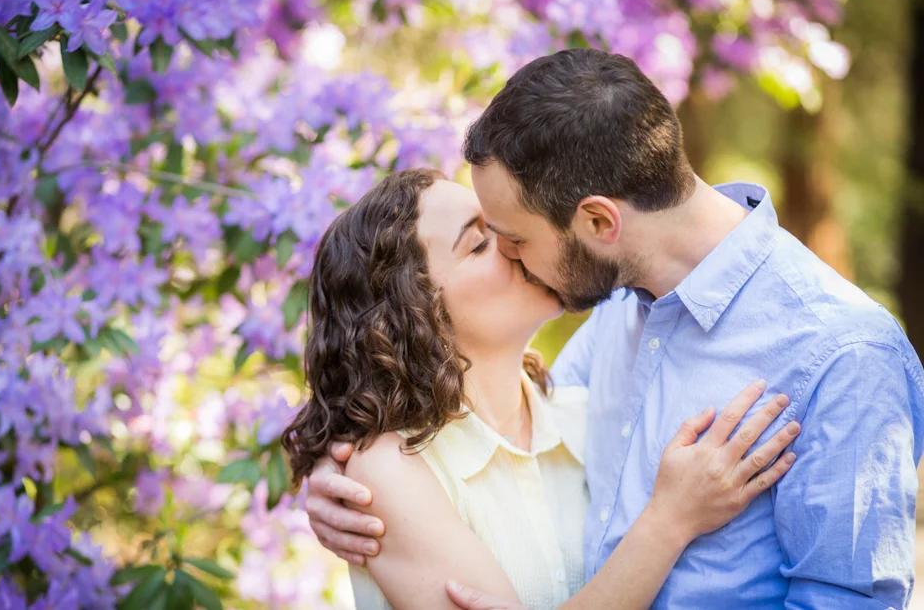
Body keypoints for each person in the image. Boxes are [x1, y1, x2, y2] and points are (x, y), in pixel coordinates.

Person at [304, 49, 924, 609]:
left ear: (599, 223)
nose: (512, 256)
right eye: (485, 242)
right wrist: (352, 480)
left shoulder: (845, 355)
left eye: (514, 238)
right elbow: (491, 426)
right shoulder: (618, 315)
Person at [282, 168, 800, 610]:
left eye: (503, 226)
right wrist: (670, 521)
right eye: (479, 243)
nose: (514, 243)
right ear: (411, 314)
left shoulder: (586, 411)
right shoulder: (390, 469)